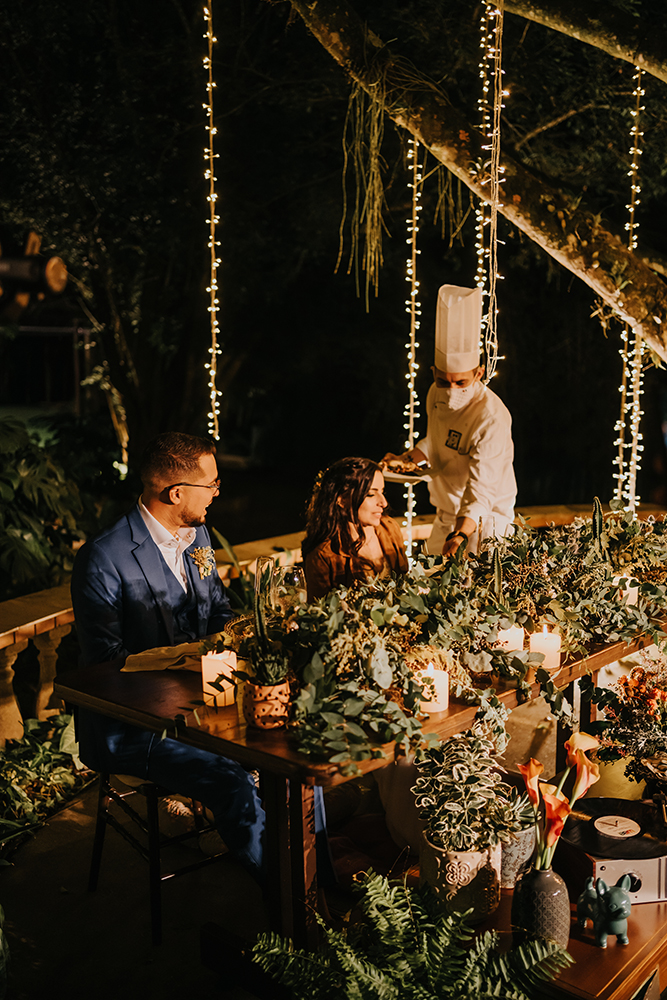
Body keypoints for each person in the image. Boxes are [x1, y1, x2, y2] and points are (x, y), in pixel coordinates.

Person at [71, 432, 264, 879]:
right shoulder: (102, 558)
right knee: (231, 779)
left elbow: (218, 611)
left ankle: (314, 862)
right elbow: (107, 665)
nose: (218, 492)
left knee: (291, 746)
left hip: (209, 707)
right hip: (132, 727)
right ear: (177, 493)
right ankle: (292, 896)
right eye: (211, 484)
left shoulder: (198, 537)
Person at [385, 284, 516, 558]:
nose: (451, 389)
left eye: (461, 382)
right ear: (433, 372)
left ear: (479, 373)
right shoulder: (435, 393)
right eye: (443, 380)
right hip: (445, 515)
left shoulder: (491, 417)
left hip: (486, 522)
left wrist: (459, 535)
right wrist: (407, 460)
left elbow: (481, 491)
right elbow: (435, 442)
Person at [302, 457, 408, 601]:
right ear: (341, 499)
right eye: (371, 494)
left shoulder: (390, 528)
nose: (383, 502)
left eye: (382, 491)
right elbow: (319, 616)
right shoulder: (323, 555)